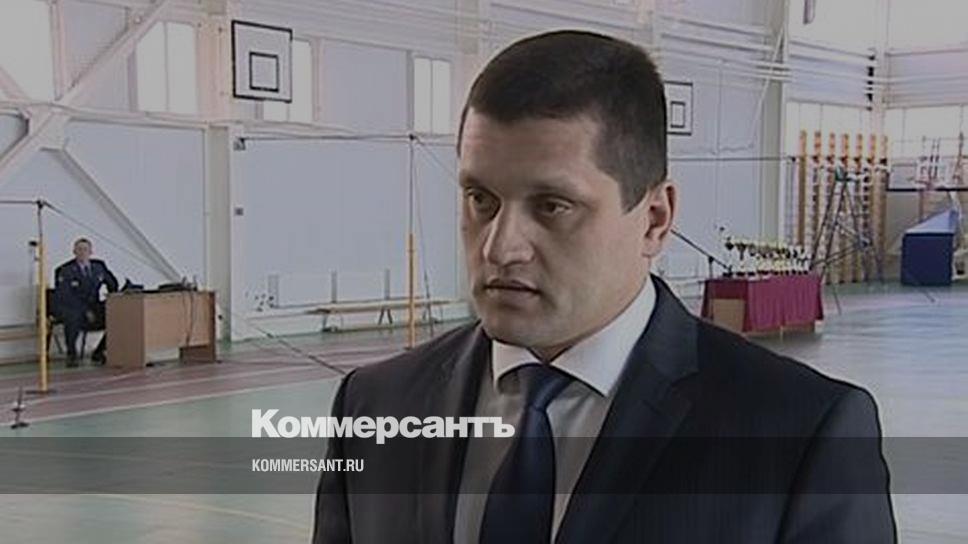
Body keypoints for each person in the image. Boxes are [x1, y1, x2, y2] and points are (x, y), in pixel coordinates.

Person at [313, 30, 895, 543]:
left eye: (552, 206)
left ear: (655, 219)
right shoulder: (375, 406)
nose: (499, 247)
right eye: (480, 199)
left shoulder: (799, 434)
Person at [54, 238, 118, 367]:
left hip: (94, 305)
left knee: (117, 318)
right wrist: (85, 310)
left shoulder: (98, 267)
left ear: (91, 252)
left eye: (85, 250)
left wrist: (114, 299)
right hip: (74, 307)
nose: (82, 252)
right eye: (79, 249)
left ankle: (99, 352)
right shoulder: (66, 270)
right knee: (73, 317)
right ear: (74, 252)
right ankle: (72, 355)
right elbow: (65, 296)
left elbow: (112, 284)